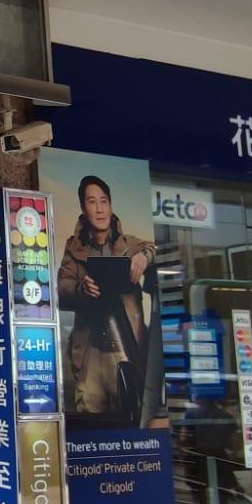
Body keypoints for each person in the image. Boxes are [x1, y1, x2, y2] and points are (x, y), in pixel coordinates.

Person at [57, 174, 156, 422]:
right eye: (92, 202)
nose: (99, 209)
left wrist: (144, 257)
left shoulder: (131, 244)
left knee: (132, 418)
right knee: (90, 418)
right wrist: (80, 289)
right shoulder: (74, 248)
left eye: (104, 201)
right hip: (90, 354)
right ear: (83, 208)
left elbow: (157, 250)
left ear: (111, 206)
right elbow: (60, 288)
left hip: (125, 351)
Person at [180, 400, 242, 504]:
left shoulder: (191, 414)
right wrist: (229, 456)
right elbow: (235, 445)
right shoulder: (226, 416)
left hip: (198, 461)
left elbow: (183, 439)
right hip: (220, 460)